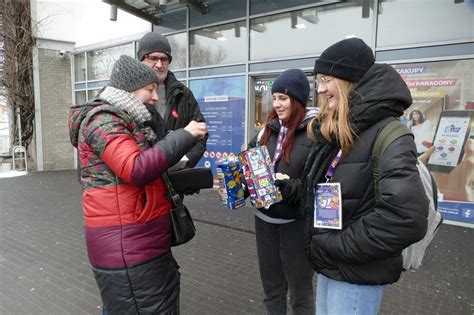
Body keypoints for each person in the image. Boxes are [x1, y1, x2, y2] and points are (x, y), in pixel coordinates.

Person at [275, 38, 429, 315]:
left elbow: (406, 219)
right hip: (330, 263)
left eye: (325, 79)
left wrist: (336, 245)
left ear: (349, 81)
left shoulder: (388, 133)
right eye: (317, 81)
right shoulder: (338, 129)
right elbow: (332, 192)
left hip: (357, 273)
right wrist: (289, 189)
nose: (320, 89)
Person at [68, 55, 207, 313]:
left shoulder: (132, 120)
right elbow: (136, 168)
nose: (155, 97)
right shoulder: (103, 120)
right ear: (129, 89)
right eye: (150, 90)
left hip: (138, 241)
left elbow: (149, 167)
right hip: (127, 247)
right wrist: (185, 134)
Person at [247, 69, 316, 314]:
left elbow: (319, 186)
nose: (277, 104)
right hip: (264, 220)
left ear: (298, 100)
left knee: (300, 292)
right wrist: (243, 180)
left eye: (283, 98)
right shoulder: (266, 131)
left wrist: (290, 188)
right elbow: (252, 166)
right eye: (274, 97)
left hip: (295, 225)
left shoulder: (315, 132)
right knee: (272, 289)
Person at [137, 31, 208, 169]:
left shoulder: (183, 94)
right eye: (153, 58)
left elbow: (201, 133)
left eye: (164, 59)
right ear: (141, 60)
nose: (159, 64)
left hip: (172, 179)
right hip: (138, 176)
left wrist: (185, 161)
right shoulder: (127, 92)